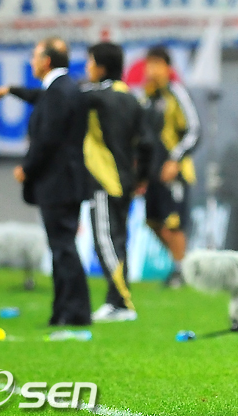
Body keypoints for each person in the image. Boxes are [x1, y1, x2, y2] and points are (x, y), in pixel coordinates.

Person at [0, 38, 92, 326]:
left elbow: (48, 138)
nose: (31, 62)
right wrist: (11, 90)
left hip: (59, 182)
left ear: (46, 61)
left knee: (63, 248)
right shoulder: (62, 88)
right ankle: (65, 310)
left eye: (34, 57)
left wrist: (28, 168)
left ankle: (74, 312)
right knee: (62, 247)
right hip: (66, 181)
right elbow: (40, 99)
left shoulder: (58, 92)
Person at [82, 42, 153, 322]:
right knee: (119, 240)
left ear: (101, 67)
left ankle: (121, 301)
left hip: (103, 179)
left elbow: (55, 98)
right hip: (126, 180)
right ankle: (116, 302)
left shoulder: (95, 97)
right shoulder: (133, 99)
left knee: (104, 241)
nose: (87, 68)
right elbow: (147, 143)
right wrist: (141, 177)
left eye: (90, 62)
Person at [142, 45, 201, 288]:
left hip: (174, 172)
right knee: (153, 222)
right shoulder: (147, 98)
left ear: (168, 68)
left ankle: (180, 270)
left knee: (174, 223)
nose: (152, 70)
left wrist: (174, 160)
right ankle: (183, 264)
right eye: (149, 64)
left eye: (157, 64)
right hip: (152, 173)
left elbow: (194, 130)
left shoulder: (177, 93)